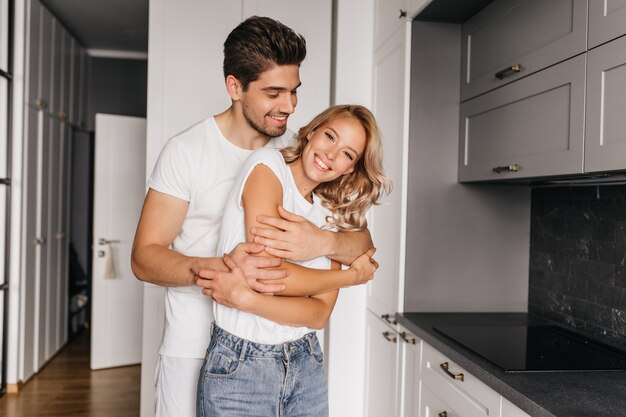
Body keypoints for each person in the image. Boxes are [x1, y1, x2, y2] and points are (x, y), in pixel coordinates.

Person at [131, 16, 375, 417]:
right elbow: (144, 258)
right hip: (193, 348)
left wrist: (324, 243)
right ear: (235, 87)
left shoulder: (301, 156)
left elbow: (359, 240)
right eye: (274, 93)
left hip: (278, 347)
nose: (289, 106)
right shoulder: (187, 151)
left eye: (294, 92)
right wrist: (225, 271)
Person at [195, 104, 390, 417]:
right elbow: (265, 274)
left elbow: (318, 315)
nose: (330, 154)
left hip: (305, 362)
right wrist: (350, 277)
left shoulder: (331, 210)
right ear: (312, 131)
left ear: (350, 169)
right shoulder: (267, 166)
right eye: (329, 136)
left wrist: (249, 298)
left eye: (346, 154)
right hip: (239, 364)